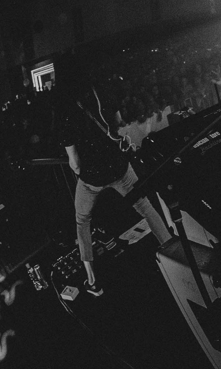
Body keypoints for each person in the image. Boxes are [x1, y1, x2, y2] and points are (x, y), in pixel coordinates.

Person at [57, 68, 172, 296]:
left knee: (82, 221)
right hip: (119, 167)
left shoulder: (65, 115)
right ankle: (172, 252)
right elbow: (118, 122)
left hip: (92, 178)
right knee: (145, 206)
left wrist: (84, 171)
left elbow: (75, 164)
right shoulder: (102, 93)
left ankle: (92, 281)